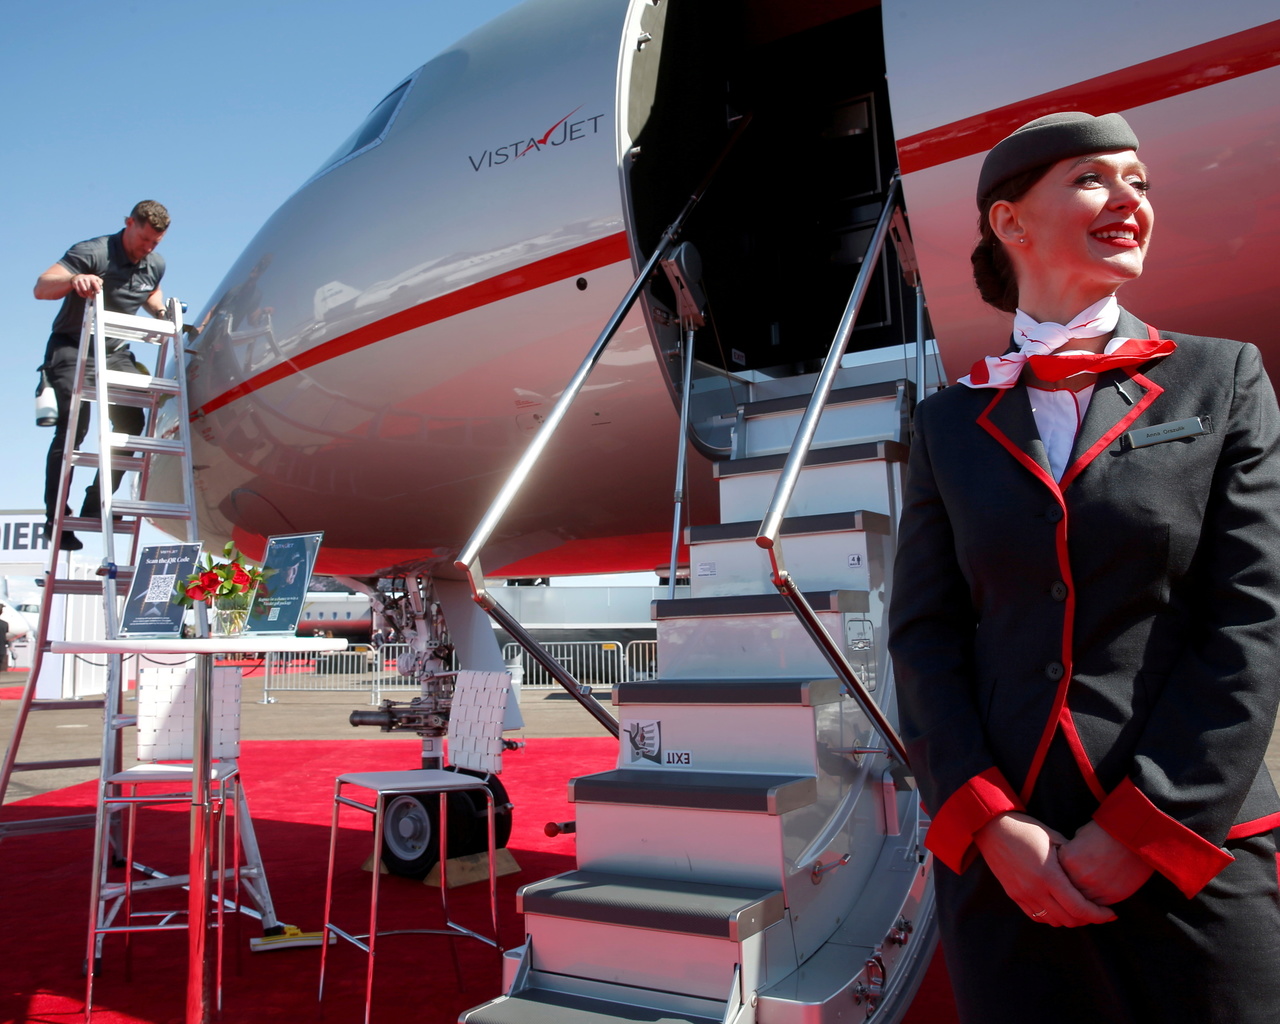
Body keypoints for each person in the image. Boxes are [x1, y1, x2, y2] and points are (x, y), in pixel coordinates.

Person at [888, 112, 1280, 1023]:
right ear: (1010, 222)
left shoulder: (1222, 381)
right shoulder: (950, 421)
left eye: (1140, 182)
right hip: (1008, 862)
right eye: (1096, 179)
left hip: (1190, 846)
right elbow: (925, 637)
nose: (1132, 201)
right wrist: (987, 822)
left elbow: (1251, 621)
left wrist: (1142, 827)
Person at [33, 201, 171, 550]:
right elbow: (42, 286)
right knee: (73, 429)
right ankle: (57, 520)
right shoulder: (93, 251)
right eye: (144, 239)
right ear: (128, 223)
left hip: (114, 352)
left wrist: (162, 313)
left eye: (156, 242)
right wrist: (72, 279)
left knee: (132, 424)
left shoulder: (154, 263)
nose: (148, 248)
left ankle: (98, 504)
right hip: (72, 345)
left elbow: (150, 293)